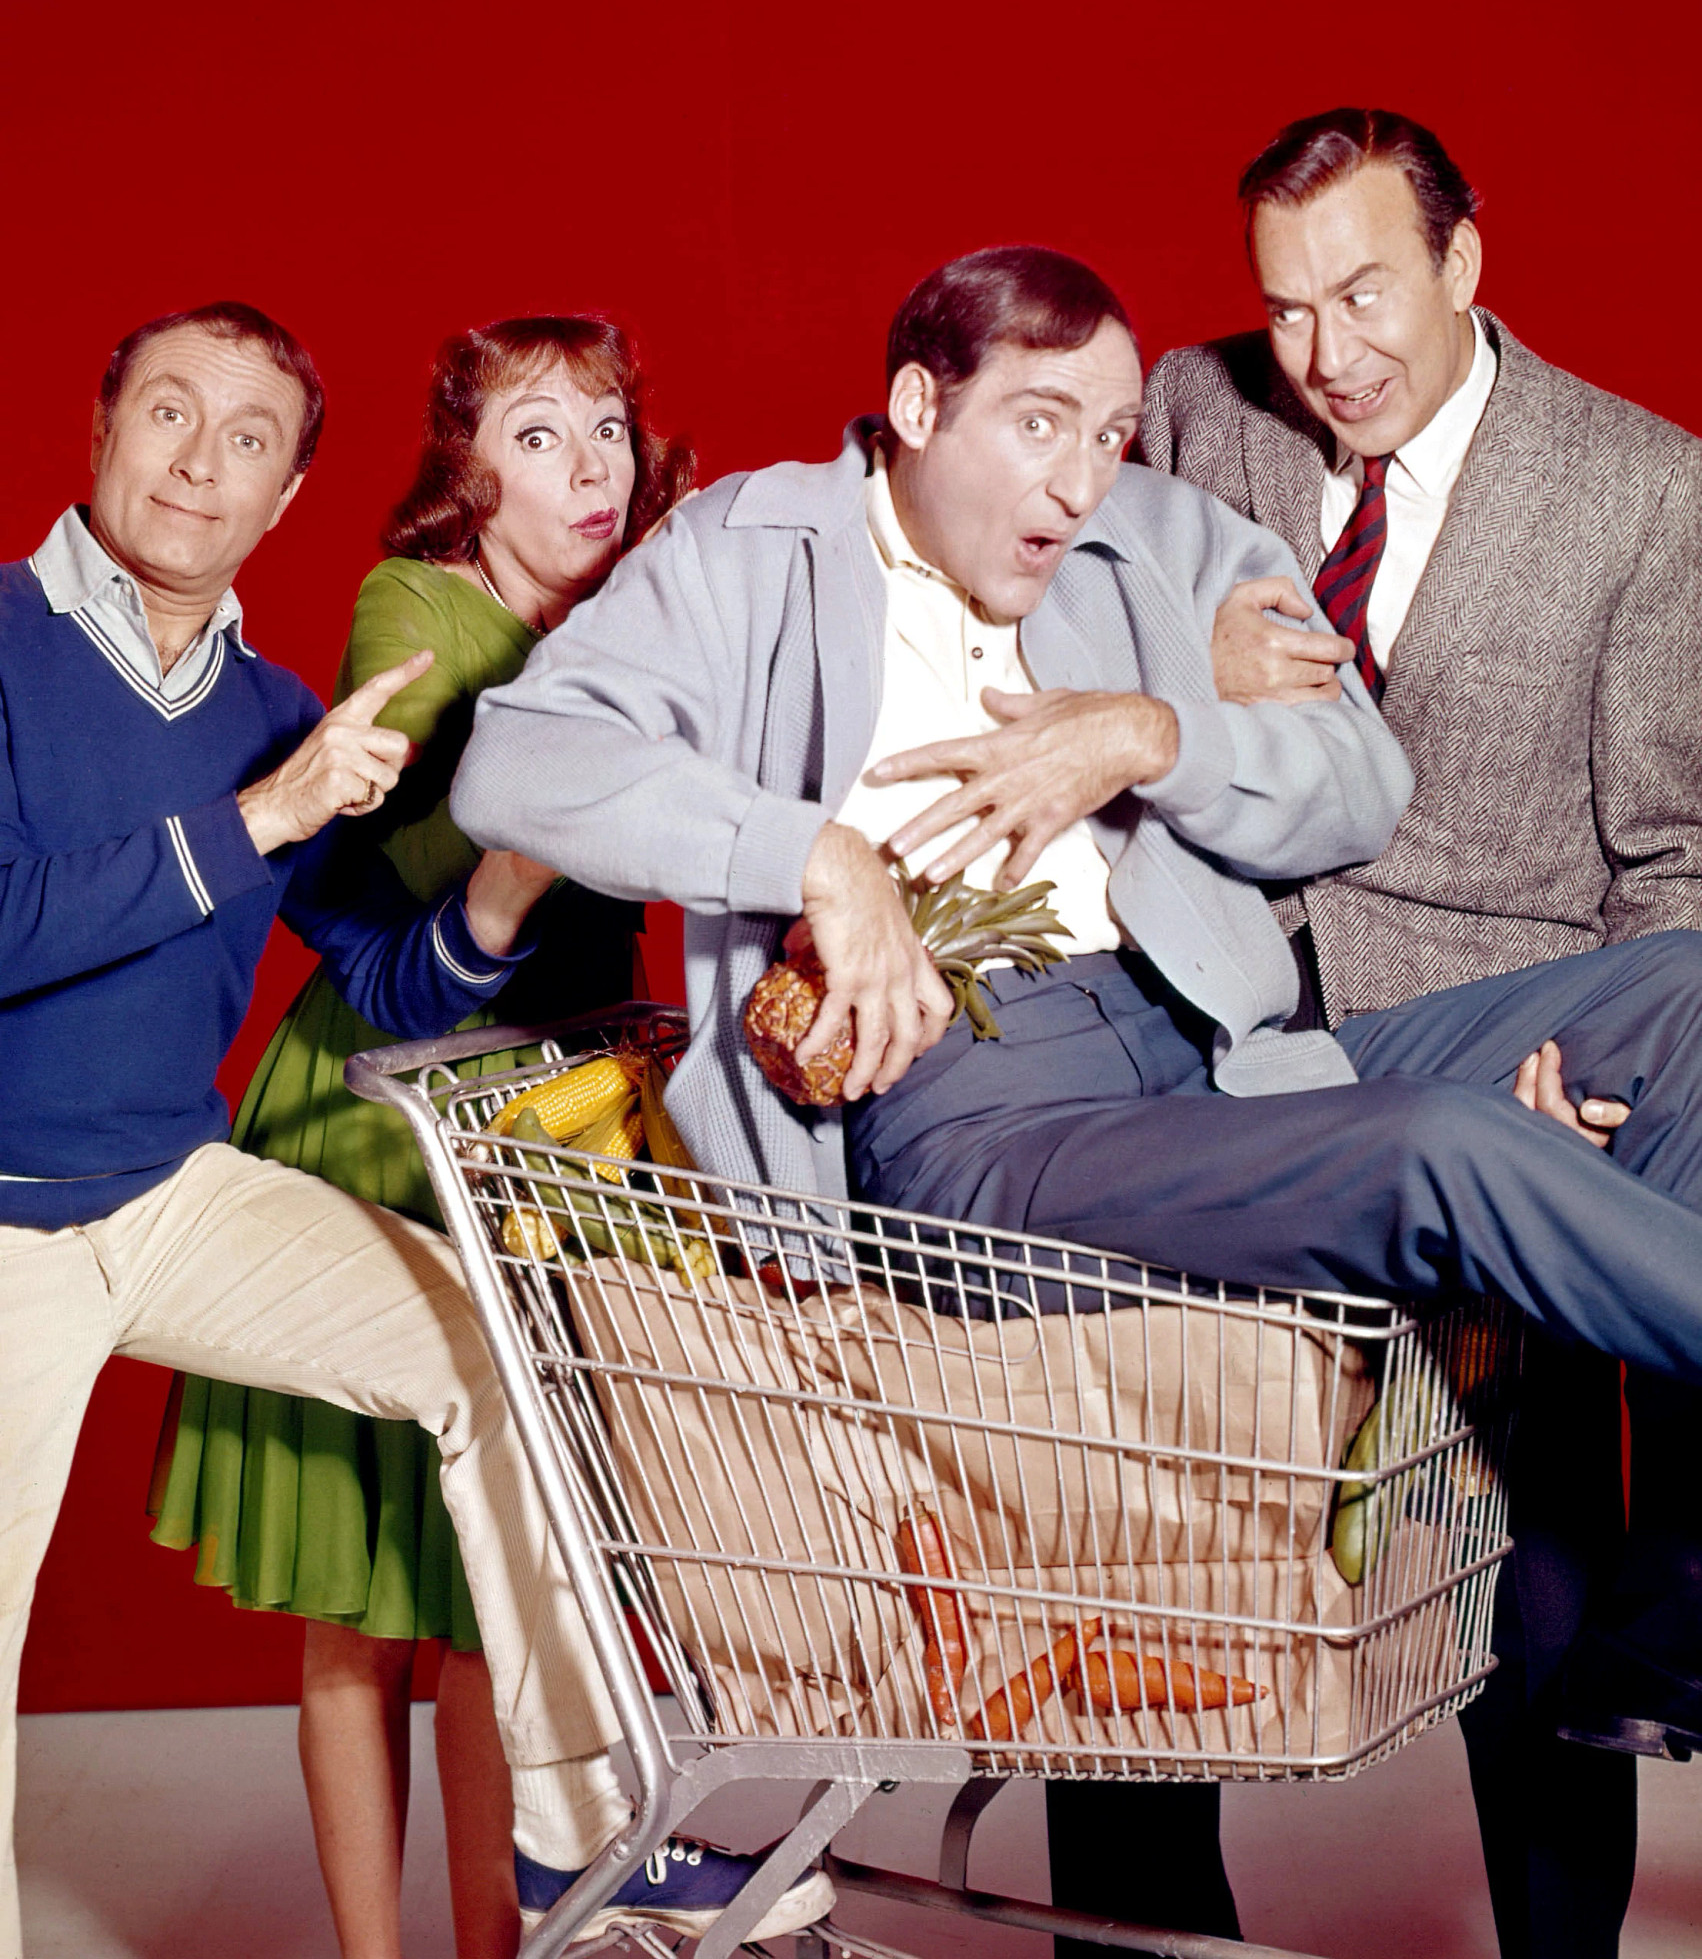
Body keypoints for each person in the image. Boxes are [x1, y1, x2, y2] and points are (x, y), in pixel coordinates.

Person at [454, 244, 1702, 1952]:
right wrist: (817, 857)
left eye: (1112, 431)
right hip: (977, 1118)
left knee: (1684, 995)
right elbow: (519, 758)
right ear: (913, 407)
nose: (1080, 475)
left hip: (1212, 1050)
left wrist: (1147, 733)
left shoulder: (1154, 543)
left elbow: (1357, 786)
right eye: (1038, 423)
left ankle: (1687, 1577)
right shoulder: (743, 552)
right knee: (1446, 1151)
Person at [0, 300, 831, 1959]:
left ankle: (568, 1847)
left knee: (487, 1360)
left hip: (167, 1194)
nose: (198, 462)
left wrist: (511, 864)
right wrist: (269, 812)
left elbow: (388, 973)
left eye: (248, 441)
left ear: (287, 497)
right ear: (102, 427)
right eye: (170, 413)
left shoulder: (269, 707)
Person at [1138, 107, 1702, 1959]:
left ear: (1465, 261)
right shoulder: (1191, 411)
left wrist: (1581, 1075)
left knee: (1525, 1583)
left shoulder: (1639, 490)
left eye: (1366, 291)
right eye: (1289, 305)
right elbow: (1014, 614)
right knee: (1135, 1554)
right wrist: (1173, 677)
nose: (1329, 353)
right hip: (1200, 1039)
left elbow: (1675, 858)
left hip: (1486, 1041)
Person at [148, 314, 692, 1959]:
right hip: (398, 1113)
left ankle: (504, 1944)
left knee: (507, 1599)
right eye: (537, 435)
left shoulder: (622, 614)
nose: (586, 464)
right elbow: (471, 848)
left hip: (562, 1112)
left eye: (603, 425)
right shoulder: (421, 606)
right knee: (367, 1599)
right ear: (467, 474)